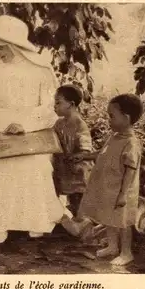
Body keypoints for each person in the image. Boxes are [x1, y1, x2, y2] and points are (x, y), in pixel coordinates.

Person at [0, 15, 65, 245]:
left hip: (31, 130)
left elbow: (50, 106)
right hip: (0, 130)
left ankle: (33, 222)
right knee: (0, 176)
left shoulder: (41, 70)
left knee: (30, 173)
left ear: (15, 46)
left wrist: (27, 125)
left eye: (1, 48)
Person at [77, 94, 144, 265]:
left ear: (126, 118)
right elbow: (102, 154)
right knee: (110, 219)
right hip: (109, 188)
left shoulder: (131, 143)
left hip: (122, 191)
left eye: (111, 116)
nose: (109, 120)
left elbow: (131, 169)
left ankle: (126, 252)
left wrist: (123, 194)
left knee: (123, 223)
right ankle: (113, 246)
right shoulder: (114, 137)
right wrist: (84, 157)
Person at [53, 85, 94, 218]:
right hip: (66, 168)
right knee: (70, 196)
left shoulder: (79, 124)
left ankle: (84, 223)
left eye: (58, 102)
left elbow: (85, 147)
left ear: (71, 104)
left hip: (78, 169)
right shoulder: (59, 123)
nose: (55, 106)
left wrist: (79, 154)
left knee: (79, 196)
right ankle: (76, 222)